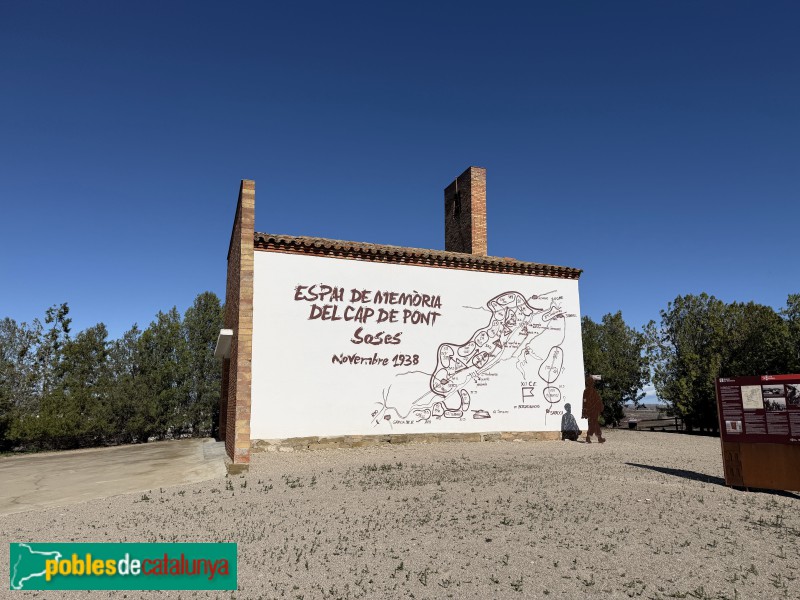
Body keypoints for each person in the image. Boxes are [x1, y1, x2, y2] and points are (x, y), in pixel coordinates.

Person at [581, 376, 605, 443]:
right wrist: (584, 410)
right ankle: (590, 437)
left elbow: (597, 400)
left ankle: (596, 437)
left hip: (592, 410)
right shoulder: (589, 391)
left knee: (594, 423)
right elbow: (585, 401)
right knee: (594, 423)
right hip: (591, 410)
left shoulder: (589, 391)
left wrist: (584, 410)